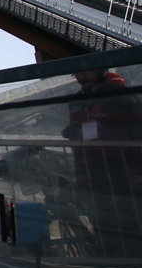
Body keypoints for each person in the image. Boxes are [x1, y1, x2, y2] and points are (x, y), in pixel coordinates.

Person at [61, 69, 142, 256]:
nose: (81, 77)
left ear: (101, 72)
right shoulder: (77, 100)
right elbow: (79, 142)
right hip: (94, 168)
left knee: (131, 215)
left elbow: (138, 131)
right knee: (101, 218)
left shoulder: (119, 94)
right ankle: (112, 259)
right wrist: (80, 172)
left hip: (124, 166)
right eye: (77, 74)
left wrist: (138, 171)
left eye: (86, 73)